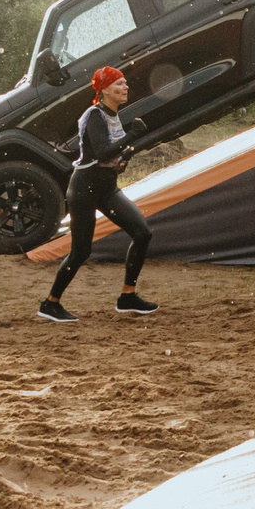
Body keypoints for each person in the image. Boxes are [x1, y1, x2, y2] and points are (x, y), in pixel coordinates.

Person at [38, 66, 156, 323]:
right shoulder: (94, 115)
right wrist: (132, 135)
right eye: (118, 84)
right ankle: (50, 303)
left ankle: (127, 296)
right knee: (81, 252)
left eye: (125, 83)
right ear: (103, 90)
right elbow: (102, 153)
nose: (125, 88)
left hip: (106, 188)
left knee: (142, 233)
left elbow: (110, 156)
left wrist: (124, 156)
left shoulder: (113, 115)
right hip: (84, 190)